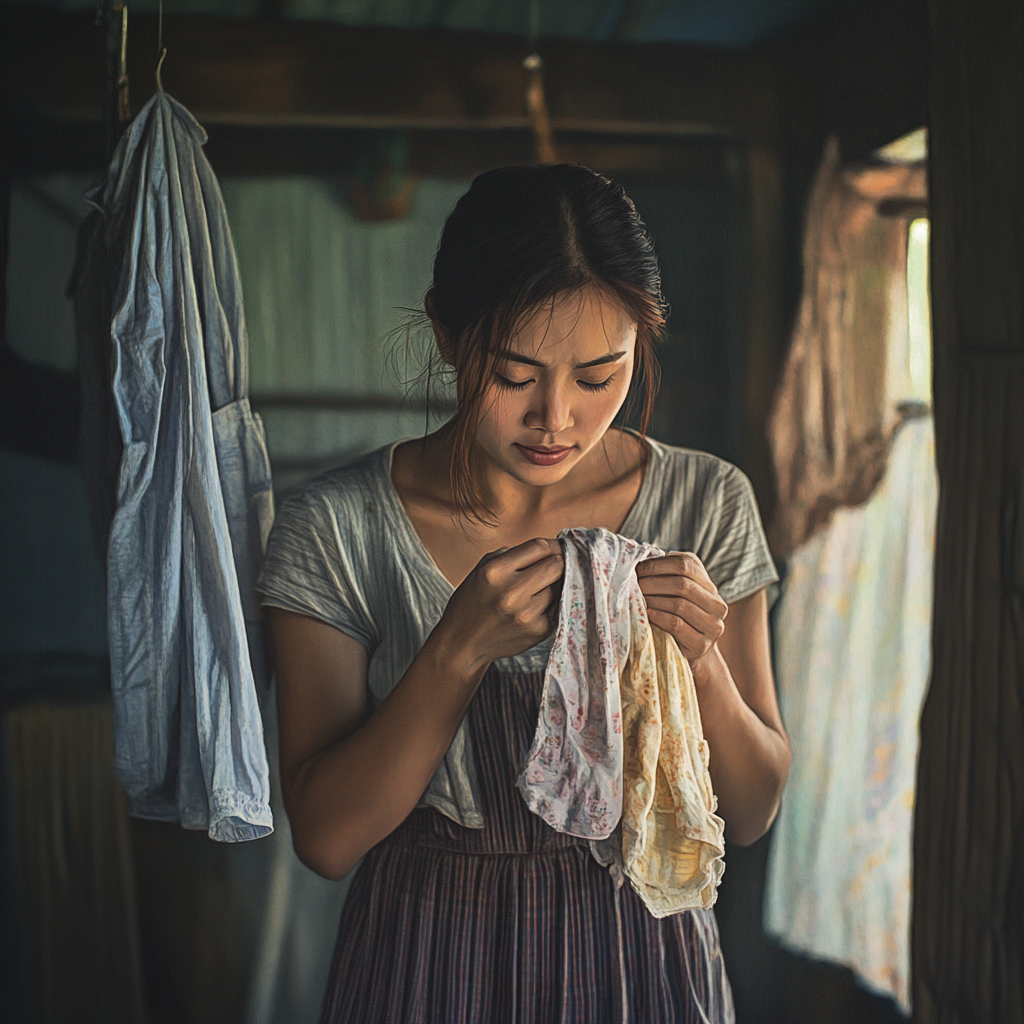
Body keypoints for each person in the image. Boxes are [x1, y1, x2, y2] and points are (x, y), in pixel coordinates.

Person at [257, 163, 790, 1024]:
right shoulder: (335, 528)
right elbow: (325, 838)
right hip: (430, 957)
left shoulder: (708, 501)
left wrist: (703, 663)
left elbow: (756, 807)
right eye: (513, 375)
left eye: (598, 376)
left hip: (645, 960)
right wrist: (456, 649)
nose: (558, 420)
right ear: (446, 335)